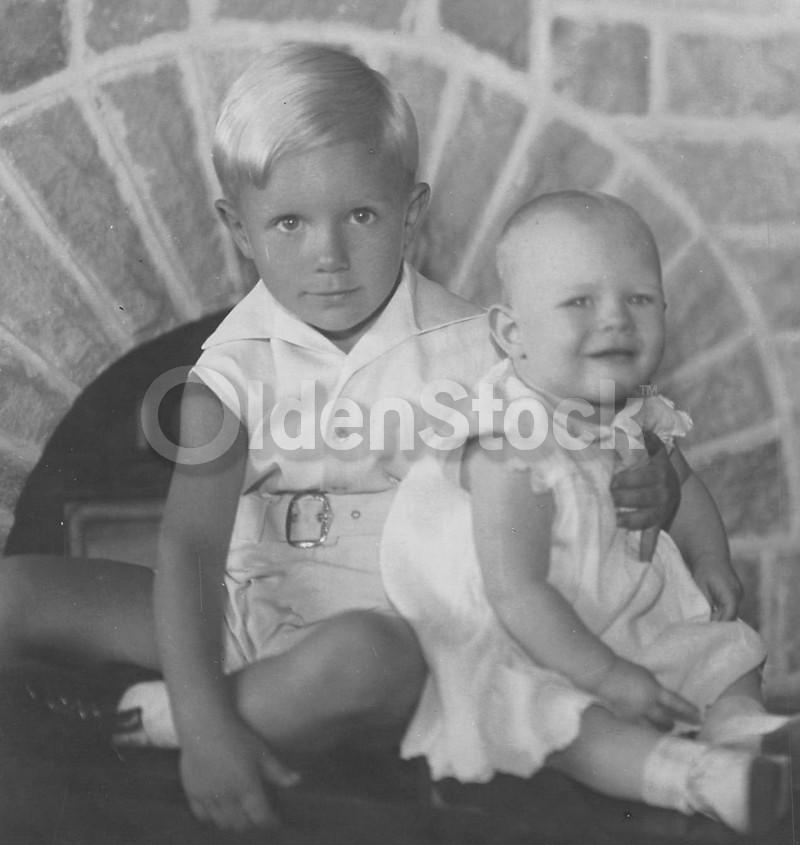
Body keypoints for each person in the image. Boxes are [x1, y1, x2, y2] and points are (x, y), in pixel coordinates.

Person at [0, 51, 678, 833]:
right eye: (289, 223)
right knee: (16, 592)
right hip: (246, 611)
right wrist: (208, 685)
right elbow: (188, 548)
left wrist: (652, 482)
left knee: (366, 656)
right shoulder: (232, 366)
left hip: (396, 636)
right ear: (238, 230)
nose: (328, 255)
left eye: (361, 216)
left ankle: (145, 724)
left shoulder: (483, 348)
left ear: (410, 213)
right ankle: (211, 712)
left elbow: (592, 450)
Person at [380, 190, 796, 835]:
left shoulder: (634, 412)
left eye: (639, 299)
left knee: (727, 652)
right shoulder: (508, 443)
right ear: (512, 334)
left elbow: (682, 486)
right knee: (560, 716)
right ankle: (694, 779)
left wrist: (710, 557)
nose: (616, 321)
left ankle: (739, 733)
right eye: (580, 302)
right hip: (527, 639)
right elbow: (514, 591)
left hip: (618, 616)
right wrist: (604, 675)